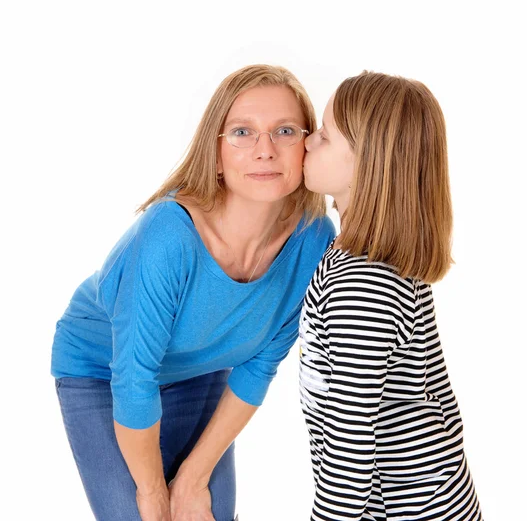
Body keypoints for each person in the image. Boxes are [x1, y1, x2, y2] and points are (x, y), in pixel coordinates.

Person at [51, 64, 335, 521]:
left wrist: (192, 478)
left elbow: (261, 364)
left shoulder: (314, 239)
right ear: (216, 149)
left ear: (307, 143)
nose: (265, 150)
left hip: (200, 371)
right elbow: (134, 378)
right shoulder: (169, 234)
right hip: (103, 373)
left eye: (284, 130)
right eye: (243, 132)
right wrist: (152, 494)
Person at [299, 71, 483, 521]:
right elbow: (435, 391)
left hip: (406, 509)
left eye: (324, 136)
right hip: (430, 497)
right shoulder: (371, 256)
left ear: (367, 162)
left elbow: (350, 445)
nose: (307, 142)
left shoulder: (362, 284)